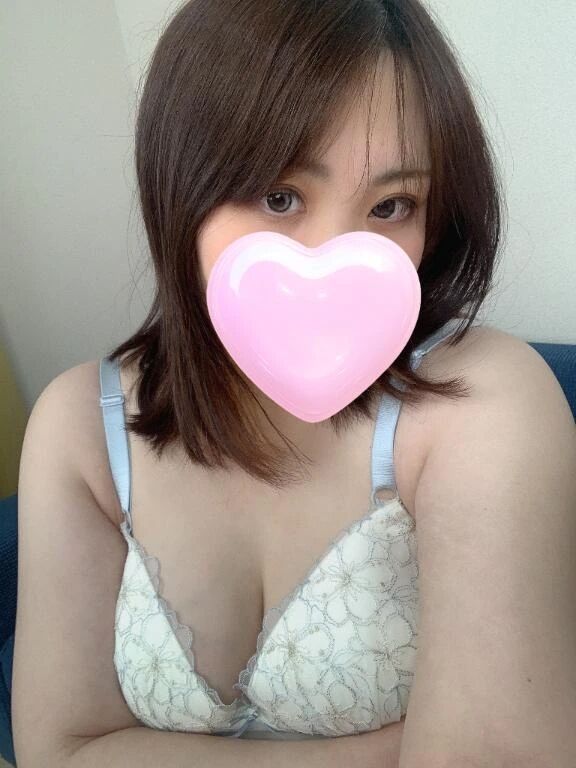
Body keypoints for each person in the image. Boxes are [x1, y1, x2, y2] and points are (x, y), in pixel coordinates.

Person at [11, 0, 576, 766]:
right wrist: (386, 751)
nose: (335, 260)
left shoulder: (485, 403)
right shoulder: (79, 426)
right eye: (279, 197)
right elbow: (61, 749)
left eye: (391, 206)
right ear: (181, 185)